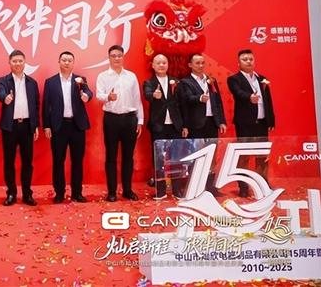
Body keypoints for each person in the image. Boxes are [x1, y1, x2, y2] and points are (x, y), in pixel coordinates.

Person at [42, 51, 93, 203]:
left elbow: (88, 92)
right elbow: (46, 105)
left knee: (77, 161)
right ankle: (59, 193)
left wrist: (86, 96)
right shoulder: (50, 82)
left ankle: (77, 192)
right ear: (59, 62)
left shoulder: (80, 80)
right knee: (58, 161)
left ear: (73, 63)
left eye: (69, 60)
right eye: (64, 60)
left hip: (77, 125)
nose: (66, 62)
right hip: (59, 126)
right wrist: (46, 126)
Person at [96, 45, 144, 202]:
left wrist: (140, 121)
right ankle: (111, 192)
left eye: (119, 55)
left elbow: (137, 100)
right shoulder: (103, 76)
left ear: (123, 57)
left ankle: (127, 190)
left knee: (128, 157)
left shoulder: (131, 76)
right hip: (111, 119)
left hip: (130, 119)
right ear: (109, 58)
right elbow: (98, 95)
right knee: (111, 156)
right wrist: (108, 97)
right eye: (113, 56)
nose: (116, 58)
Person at [226, 49, 275, 197]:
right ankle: (244, 187)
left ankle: (263, 185)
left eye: (251, 59)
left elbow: (268, 101)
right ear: (239, 63)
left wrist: (271, 119)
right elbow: (238, 93)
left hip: (262, 123)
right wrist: (249, 97)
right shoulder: (234, 79)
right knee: (243, 156)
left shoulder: (262, 79)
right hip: (245, 123)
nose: (248, 61)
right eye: (245, 59)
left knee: (262, 156)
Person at [178, 53, 226, 197]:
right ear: (190, 65)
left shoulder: (211, 80)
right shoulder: (185, 82)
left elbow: (218, 102)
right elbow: (185, 100)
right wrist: (199, 98)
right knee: (195, 156)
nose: (200, 65)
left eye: (202, 63)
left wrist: (221, 121)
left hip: (212, 122)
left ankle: (210, 186)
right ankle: (195, 187)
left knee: (212, 156)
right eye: (197, 63)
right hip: (195, 124)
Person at [0, 50, 39, 206]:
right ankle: (11, 194)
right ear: (9, 63)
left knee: (27, 162)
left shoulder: (32, 82)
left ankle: (27, 194)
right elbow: (0, 93)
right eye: (14, 61)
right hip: (11, 127)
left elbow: (36, 105)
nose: (18, 64)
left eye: (20, 61)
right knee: (9, 162)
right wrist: (5, 98)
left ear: (24, 62)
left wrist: (35, 126)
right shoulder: (3, 81)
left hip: (27, 126)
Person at [142, 54, 184, 200]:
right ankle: (160, 190)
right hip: (158, 126)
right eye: (158, 63)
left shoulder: (176, 82)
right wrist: (154, 95)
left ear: (167, 65)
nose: (161, 65)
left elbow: (182, 104)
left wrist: (184, 125)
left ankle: (177, 189)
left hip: (175, 126)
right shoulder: (149, 82)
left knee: (177, 158)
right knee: (158, 159)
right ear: (153, 65)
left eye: (164, 62)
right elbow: (147, 95)